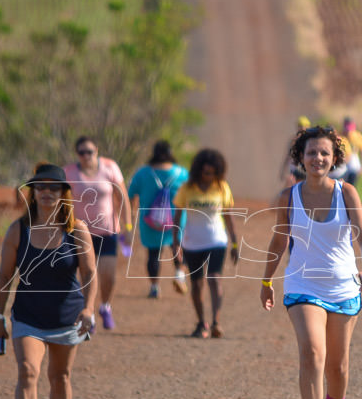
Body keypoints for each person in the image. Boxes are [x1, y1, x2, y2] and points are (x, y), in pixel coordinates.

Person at [259, 125, 362, 399]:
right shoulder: (289, 197)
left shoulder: (347, 193)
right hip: (302, 284)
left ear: (335, 158)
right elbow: (279, 242)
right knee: (312, 352)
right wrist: (266, 281)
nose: (318, 158)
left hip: (343, 287)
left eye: (324, 153)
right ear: (300, 157)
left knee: (338, 366)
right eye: (311, 152)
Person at [0, 163, 97, 399]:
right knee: (27, 370)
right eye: (41, 187)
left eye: (53, 187)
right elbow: (4, 277)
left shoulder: (77, 231)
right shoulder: (18, 230)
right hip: (28, 317)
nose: (47, 192)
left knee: (60, 376)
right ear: (32, 193)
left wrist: (89, 309)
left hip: (67, 318)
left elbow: (89, 273)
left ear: (63, 193)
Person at [63, 136, 131, 330]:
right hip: (78, 233)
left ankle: (105, 307)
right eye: (81, 152)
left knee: (107, 275)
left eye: (90, 152)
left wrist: (127, 227)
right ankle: (87, 311)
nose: (86, 156)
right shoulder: (69, 172)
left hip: (107, 231)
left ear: (97, 151)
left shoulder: (110, 167)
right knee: (84, 274)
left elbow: (122, 197)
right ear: (77, 154)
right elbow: (63, 201)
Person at [172, 148, 239, 339]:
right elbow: (177, 217)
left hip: (216, 241)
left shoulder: (221, 187)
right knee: (196, 284)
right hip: (192, 243)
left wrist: (234, 244)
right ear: (198, 170)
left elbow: (229, 217)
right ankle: (202, 323)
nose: (208, 176)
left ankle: (216, 321)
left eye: (212, 173)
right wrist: (176, 243)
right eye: (205, 172)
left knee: (215, 278)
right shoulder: (187, 188)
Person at [127, 140, 189, 298]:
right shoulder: (181, 173)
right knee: (178, 248)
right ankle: (179, 276)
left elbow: (131, 194)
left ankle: (154, 287)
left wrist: (132, 213)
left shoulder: (142, 173)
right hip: (176, 220)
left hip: (150, 222)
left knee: (153, 255)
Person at [280, 116, 311, 187]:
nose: (302, 128)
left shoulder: (311, 141)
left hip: (306, 171)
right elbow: (288, 156)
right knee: (290, 188)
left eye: (304, 126)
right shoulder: (294, 141)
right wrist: (283, 170)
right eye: (300, 126)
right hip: (295, 170)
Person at [341, 117, 362, 187]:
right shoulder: (340, 136)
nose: (348, 132)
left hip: (353, 166)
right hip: (342, 166)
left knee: (350, 187)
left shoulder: (357, 136)